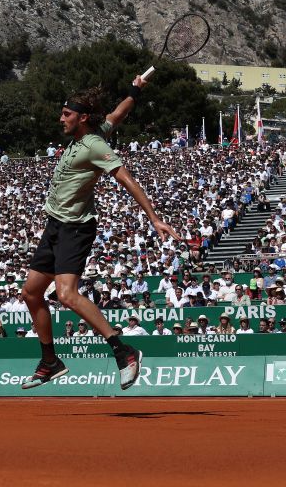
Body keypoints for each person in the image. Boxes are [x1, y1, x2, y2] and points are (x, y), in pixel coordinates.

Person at [20, 76, 179, 391]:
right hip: (54, 225)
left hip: (75, 228)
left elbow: (127, 179)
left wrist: (155, 218)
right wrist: (136, 88)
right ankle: (50, 361)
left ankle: (124, 351)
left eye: (66, 114)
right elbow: (117, 115)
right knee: (31, 293)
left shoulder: (94, 144)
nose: (60, 119)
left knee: (65, 294)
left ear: (81, 118)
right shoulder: (90, 133)